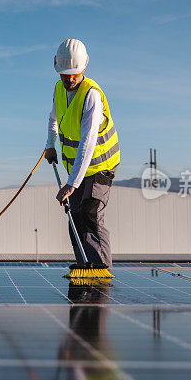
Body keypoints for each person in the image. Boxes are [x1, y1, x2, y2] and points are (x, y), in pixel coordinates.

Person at [45, 39, 120, 271]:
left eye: (74, 74)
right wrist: (50, 145)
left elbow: (88, 142)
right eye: (64, 74)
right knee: (75, 217)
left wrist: (71, 184)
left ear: (84, 67)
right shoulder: (59, 89)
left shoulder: (91, 95)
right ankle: (84, 266)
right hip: (78, 169)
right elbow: (53, 118)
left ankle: (99, 270)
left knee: (90, 216)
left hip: (99, 166)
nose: (69, 79)